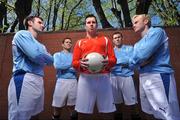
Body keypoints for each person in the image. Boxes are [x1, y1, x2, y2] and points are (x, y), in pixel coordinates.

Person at [129, 14, 180, 120]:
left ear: (146, 21)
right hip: (143, 77)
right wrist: (140, 62)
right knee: (150, 111)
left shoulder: (157, 32)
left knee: (167, 114)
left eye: (136, 22)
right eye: (133, 23)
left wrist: (138, 60)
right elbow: (131, 64)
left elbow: (142, 55)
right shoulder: (137, 44)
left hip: (159, 76)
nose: (133, 25)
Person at [8, 16, 53, 120]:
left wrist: (42, 56)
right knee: (20, 116)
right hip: (24, 78)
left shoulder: (41, 45)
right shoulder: (21, 34)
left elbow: (51, 62)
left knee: (35, 114)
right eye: (40, 22)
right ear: (30, 23)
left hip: (38, 80)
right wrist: (44, 57)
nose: (42, 25)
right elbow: (35, 55)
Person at [72, 14, 116, 120]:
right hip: (85, 78)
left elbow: (113, 59)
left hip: (104, 77)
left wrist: (107, 62)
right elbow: (74, 62)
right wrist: (80, 64)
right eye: (88, 22)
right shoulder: (79, 42)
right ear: (85, 25)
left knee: (108, 111)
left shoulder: (105, 40)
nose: (91, 24)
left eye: (93, 22)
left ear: (97, 25)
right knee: (83, 111)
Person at [110, 32, 141, 120]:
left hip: (127, 77)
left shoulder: (130, 48)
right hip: (113, 78)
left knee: (132, 103)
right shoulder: (110, 51)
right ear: (113, 40)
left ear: (122, 38)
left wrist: (115, 63)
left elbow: (132, 61)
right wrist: (123, 63)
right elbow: (108, 65)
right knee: (117, 103)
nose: (117, 39)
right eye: (115, 38)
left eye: (119, 37)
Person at [51, 38, 78, 120]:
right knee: (57, 106)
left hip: (73, 81)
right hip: (61, 81)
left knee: (72, 106)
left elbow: (77, 68)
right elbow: (57, 66)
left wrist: (65, 66)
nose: (69, 43)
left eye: (70, 42)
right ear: (62, 44)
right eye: (67, 42)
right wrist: (71, 65)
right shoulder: (57, 55)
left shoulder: (75, 56)